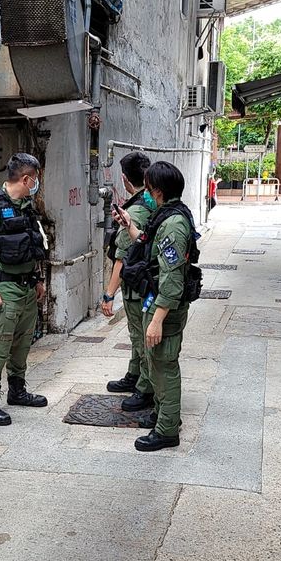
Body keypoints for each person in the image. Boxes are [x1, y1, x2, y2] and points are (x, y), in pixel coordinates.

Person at [116, 161, 200, 452]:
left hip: (165, 308)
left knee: (164, 366)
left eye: (149, 189)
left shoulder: (174, 224)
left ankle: (166, 430)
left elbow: (173, 277)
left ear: (159, 191)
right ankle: (163, 416)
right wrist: (129, 224)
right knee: (157, 364)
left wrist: (156, 320)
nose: (146, 194)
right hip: (157, 302)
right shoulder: (166, 215)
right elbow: (148, 243)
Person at [0, 152, 48, 426]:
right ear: (26, 178)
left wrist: (38, 280)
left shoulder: (27, 205)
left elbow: (32, 245)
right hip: (3, 288)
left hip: (27, 286)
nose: (36, 184)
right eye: (35, 179)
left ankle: (17, 391)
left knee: (22, 343)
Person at [102, 151, 155, 412]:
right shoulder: (152, 201)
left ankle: (144, 388)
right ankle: (134, 375)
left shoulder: (135, 209)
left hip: (138, 285)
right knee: (139, 336)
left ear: (124, 179)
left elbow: (122, 258)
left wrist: (109, 294)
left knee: (139, 337)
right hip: (148, 281)